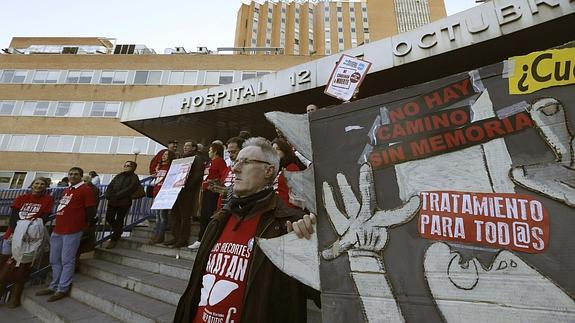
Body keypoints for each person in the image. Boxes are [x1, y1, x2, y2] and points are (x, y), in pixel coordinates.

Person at [174, 137, 319, 322]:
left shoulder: (290, 227)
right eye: (236, 161)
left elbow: (329, 296)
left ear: (269, 170)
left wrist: (316, 248)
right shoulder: (219, 220)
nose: (235, 168)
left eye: (246, 162)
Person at [35, 167, 96, 302]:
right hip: (58, 229)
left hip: (73, 230)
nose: (73, 176)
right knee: (54, 259)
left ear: (81, 176)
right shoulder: (67, 190)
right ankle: (54, 285)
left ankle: (63, 288)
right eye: (70, 174)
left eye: (76, 174)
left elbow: (91, 210)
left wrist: (84, 226)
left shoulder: (85, 190)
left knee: (67, 260)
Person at [0, 177, 53, 308]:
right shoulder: (21, 198)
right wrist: (15, 232)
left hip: (29, 239)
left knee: (22, 268)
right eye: (36, 183)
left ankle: (14, 298)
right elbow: (13, 217)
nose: (39, 186)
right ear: (32, 185)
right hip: (12, 235)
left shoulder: (48, 199)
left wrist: (26, 233)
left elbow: (43, 218)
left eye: (42, 184)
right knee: (5, 265)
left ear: (45, 187)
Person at [164, 141, 204, 248]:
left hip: (187, 192)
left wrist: (187, 187)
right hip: (175, 191)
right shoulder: (180, 158)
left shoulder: (197, 158)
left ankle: (183, 239)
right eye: (184, 146)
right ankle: (175, 237)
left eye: (188, 146)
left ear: (194, 148)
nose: (185, 147)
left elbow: (198, 174)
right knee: (174, 214)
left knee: (184, 216)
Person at [187, 142, 226, 250]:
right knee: (203, 216)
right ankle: (201, 239)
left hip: (212, 193)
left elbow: (223, 176)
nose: (208, 152)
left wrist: (215, 184)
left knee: (209, 215)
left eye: (210, 150)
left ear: (215, 151)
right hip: (205, 191)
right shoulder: (210, 162)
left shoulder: (220, 161)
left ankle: (209, 239)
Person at [103, 161, 140, 249]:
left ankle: (114, 239)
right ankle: (118, 230)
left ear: (133, 167)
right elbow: (111, 185)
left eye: (128, 166)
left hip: (124, 202)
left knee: (120, 219)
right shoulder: (119, 175)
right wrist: (108, 194)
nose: (126, 167)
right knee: (109, 217)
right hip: (113, 201)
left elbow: (131, 188)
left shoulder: (134, 177)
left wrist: (117, 195)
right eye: (125, 165)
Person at [150, 150, 177, 244]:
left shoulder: (171, 167)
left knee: (162, 216)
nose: (163, 156)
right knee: (157, 217)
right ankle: (155, 234)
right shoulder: (159, 167)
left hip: (164, 194)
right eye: (163, 155)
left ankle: (160, 235)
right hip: (156, 193)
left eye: (166, 155)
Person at [272, 138, 306, 208]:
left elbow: (298, 194)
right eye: (272, 150)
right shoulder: (274, 170)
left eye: (277, 149)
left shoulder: (291, 168)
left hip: (288, 211)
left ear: (285, 151)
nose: (274, 152)